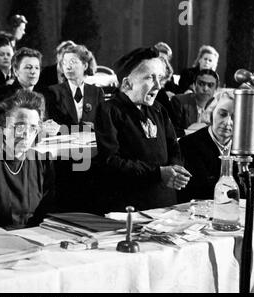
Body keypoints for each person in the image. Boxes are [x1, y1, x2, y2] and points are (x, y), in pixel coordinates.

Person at [95, 47, 191, 212]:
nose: (158, 85)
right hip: (130, 206)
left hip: (165, 203)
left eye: (159, 78)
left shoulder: (159, 109)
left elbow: (174, 147)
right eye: (149, 77)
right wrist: (158, 173)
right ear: (127, 83)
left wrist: (176, 170)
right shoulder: (108, 110)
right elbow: (110, 161)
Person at [0, 89, 56, 229]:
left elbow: (49, 213)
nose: (26, 134)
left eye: (33, 127)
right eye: (19, 126)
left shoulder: (42, 161)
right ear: (2, 126)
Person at [178, 90, 235, 203]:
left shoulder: (245, 149)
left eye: (235, 117)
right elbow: (194, 193)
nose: (228, 122)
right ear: (211, 112)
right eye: (222, 114)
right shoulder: (188, 145)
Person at [45, 44, 103, 129]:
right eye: (64, 63)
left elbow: (103, 123)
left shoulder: (97, 92)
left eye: (73, 62)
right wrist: (86, 128)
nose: (68, 67)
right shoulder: (53, 92)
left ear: (85, 66)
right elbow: (53, 126)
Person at [0, 47, 45, 115]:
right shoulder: (2, 93)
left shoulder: (43, 95)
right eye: (28, 67)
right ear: (16, 71)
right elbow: (2, 122)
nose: (33, 72)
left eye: (37, 68)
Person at [171, 69, 219, 137]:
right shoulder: (179, 101)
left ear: (216, 89)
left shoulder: (219, 106)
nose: (205, 88)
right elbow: (173, 132)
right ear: (194, 85)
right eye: (201, 84)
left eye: (210, 85)